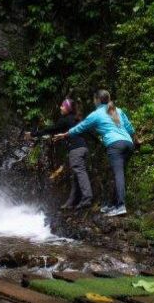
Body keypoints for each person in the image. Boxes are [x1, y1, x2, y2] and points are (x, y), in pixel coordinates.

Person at [55, 89, 135, 217]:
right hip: (128, 144)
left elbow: (81, 127)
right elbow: (130, 128)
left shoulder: (97, 114)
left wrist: (65, 134)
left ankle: (120, 206)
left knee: (118, 175)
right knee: (116, 174)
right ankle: (112, 204)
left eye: (94, 99)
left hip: (115, 145)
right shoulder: (117, 110)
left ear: (97, 100)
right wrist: (135, 139)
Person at [25, 99, 92, 210]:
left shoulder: (65, 120)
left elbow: (51, 129)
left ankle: (87, 198)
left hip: (76, 150)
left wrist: (33, 134)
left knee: (79, 173)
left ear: (68, 109)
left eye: (62, 106)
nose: (60, 108)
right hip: (83, 148)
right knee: (76, 176)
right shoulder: (76, 119)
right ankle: (71, 202)